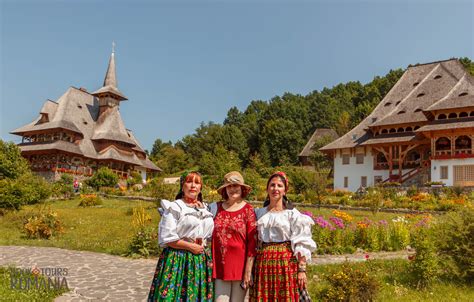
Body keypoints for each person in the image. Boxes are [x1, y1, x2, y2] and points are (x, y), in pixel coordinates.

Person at [148, 171, 214, 301]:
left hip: (199, 261)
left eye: (197, 182)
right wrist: (190, 247)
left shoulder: (206, 208)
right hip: (178, 259)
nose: (193, 186)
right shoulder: (175, 207)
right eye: (189, 182)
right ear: (182, 186)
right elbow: (167, 238)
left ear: (201, 187)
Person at [250, 171, 317, 302]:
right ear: (267, 189)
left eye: (279, 186)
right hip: (263, 264)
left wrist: (302, 270)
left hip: (286, 264)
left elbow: (301, 242)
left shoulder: (293, 214)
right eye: (272, 185)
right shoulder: (258, 213)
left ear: (285, 190)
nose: (275, 189)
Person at [209, 171, 257, 302]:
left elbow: (252, 243)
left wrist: (248, 270)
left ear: (242, 188)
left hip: (240, 268)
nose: (233, 189)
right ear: (225, 189)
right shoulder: (215, 208)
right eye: (229, 186)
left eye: (236, 185)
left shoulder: (248, 210)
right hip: (220, 267)